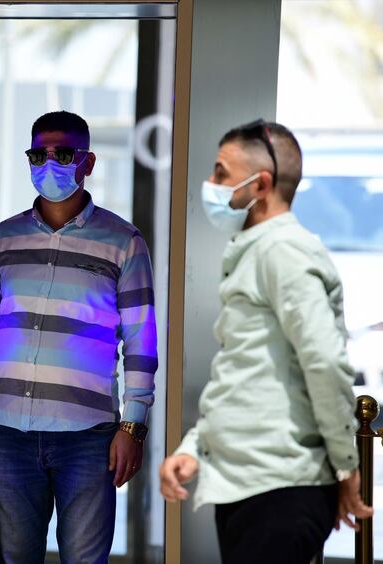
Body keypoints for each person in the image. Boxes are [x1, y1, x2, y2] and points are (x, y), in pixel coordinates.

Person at [159, 120, 373, 564]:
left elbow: (325, 363)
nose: (211, 184)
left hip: (281, 491)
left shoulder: (284, 253)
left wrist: (346, 466)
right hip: (250, 486)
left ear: (261, 184)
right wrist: (194, 448)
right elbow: (243, 371)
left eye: (221, 172)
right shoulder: (257, 251)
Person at [0, 111, 158, 563]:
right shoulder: (5, 239)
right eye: (38, 154)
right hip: (9, 433)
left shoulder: (123, 242)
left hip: (88, 437)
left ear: (87, 163)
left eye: (63, 153)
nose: (49, 164)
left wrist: (133, 426)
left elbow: (141, 342)